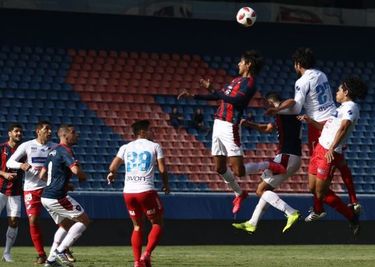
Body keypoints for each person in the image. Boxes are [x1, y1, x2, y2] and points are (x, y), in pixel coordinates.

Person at [178, 50, 284, 214]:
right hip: (218, 123)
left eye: (241, 62)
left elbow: (236, 100)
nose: (238, 64)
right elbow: (219, 97)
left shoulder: (250, 84)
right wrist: (194, 96)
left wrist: (214, 89)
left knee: (238, 172)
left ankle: (268, 164)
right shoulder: (235, 80)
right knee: (220, 168)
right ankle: (239, 193)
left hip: (230, 126)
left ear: (248, 64)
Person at [266, 47, 361, 219]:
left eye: (294, 64)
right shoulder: (321, 74)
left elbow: (296, 107)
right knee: (340, 162)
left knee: (319, 182)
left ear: (298, 64)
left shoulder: (301, 82)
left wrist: (277, 110)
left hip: (318, 126)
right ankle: (353, 201)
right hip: (333, 117)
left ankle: (324, 210)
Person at [298, 77, 367, 236]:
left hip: (330, 153)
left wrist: (332, 148)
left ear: (346, 92)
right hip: (319, 149)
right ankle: (340, 212)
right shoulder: (340, 108)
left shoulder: (351, 107)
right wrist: (310, 121)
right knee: (312, 188)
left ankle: (346, 216)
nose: (337, 92)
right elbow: (326, 127)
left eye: (339, 89)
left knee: (320, 192)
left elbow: (344, 128)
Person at [232, 92, 301, 234]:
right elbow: (268, 129)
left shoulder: (285, 109)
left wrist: (276, 108)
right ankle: (252, 223)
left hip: (287, 155)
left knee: (260, 190)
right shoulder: (282, 114)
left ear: (270, 101)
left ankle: (290, 212)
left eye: (266, 103)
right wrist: (249, 124)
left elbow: (292, 101)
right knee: (264, 190)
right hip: (292, 157)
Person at [107, 120, 170, 267]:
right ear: (142, 132)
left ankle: (137, 262)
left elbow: (113, 166)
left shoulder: (125, 147)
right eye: (150, 130)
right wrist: (166, 185)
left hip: (128, 192)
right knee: (157, 223)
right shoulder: (155, 146)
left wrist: (111, 174)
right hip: (146, 190)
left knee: (137, 226)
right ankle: (146, 255)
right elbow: (162, 169)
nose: (153, 132)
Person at [6, 121, 57, 263]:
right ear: (38, 131)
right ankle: (41, 255)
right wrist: (21, 165)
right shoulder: (27, 145)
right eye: (46, 129)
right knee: (33, 220)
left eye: (51, 129)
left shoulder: (54, 147)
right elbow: (10, 162)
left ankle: (62, 249)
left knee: (61, 219)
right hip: (31, 189)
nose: (50, 132)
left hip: (49, 188)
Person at [38, 124, 89, 267]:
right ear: (66, 135)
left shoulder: (52, 151)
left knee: (65, 224)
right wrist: (83, 176)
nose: (76, 135)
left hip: (46, 196)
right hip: (57, 196)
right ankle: (61, 250)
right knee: (84, 220)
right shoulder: (65, 150)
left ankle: (51, 261)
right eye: (74, 133)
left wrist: (63, 184)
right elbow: (75, 170)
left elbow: (42, 175)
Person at [0, 123, 24, 262]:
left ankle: (7, 253)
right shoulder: (2, 148)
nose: (18, 134)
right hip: (0, 190)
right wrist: (4, 174)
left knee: (14, 222)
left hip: (15, 192)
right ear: (10, 133)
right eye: (16, 131)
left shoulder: (24, 151)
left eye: (20, 132)